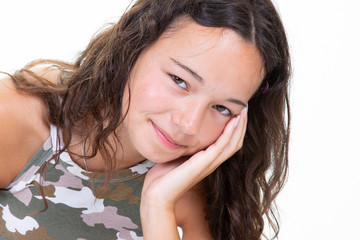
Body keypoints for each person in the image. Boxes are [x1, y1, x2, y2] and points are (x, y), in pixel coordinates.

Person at [0, 0, 291, 239]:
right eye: (179, 80)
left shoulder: (194, 188)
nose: (188, 124)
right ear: (134, 46)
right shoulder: (16, 120)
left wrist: (158, 206)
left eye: (222, 108)